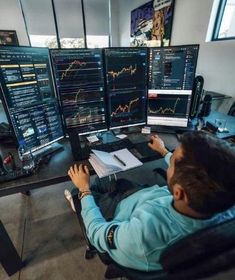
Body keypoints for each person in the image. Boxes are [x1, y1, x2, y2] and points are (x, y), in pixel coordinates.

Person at [66, 131, 235, 271]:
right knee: (108, 182)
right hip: (144, 196)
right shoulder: (225, 203)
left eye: (172, 164)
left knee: (82, 190)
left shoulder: (139, 236)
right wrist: (164, 152)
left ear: (178, 193)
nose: (169, 165)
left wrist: (84, 190)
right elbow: (197, 171)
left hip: (120, 213)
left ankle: (78, 201)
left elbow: (97, 234)